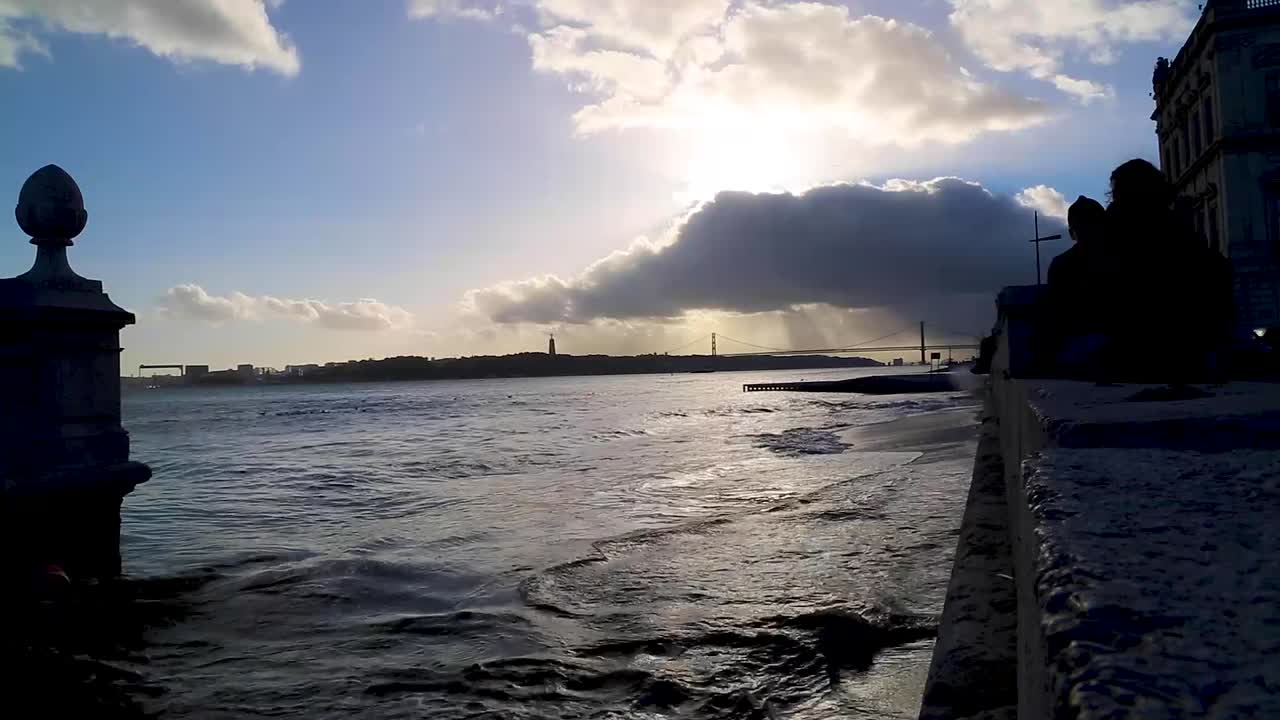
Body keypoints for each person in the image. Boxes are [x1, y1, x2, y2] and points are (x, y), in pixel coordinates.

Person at [1103, 159, 1233, 381]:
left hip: (1142, 345)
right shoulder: (1175, 227)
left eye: (1116, 191)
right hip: (1182, 344)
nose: (1112, 197)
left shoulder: (1119, 229)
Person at [1045, 196, 1110, 374]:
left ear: (1071, 232)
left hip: (1081, 351)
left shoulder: (1062, 264)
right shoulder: (1125, 258)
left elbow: (1057, 314)